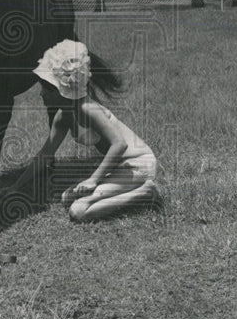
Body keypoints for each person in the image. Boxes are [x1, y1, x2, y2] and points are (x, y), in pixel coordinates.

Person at [31, 39, 160, 223]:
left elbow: (119, 144)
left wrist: (93, 179)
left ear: (60, 90)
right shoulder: (64, 115)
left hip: (138, 165)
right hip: (121, 168)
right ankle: (130, 189)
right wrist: (14, 187)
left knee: (78, 211)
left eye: (45, 88)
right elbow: (44, 154)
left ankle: (146, 192)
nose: (41, 94)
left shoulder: (87, 108)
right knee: (66, 198)